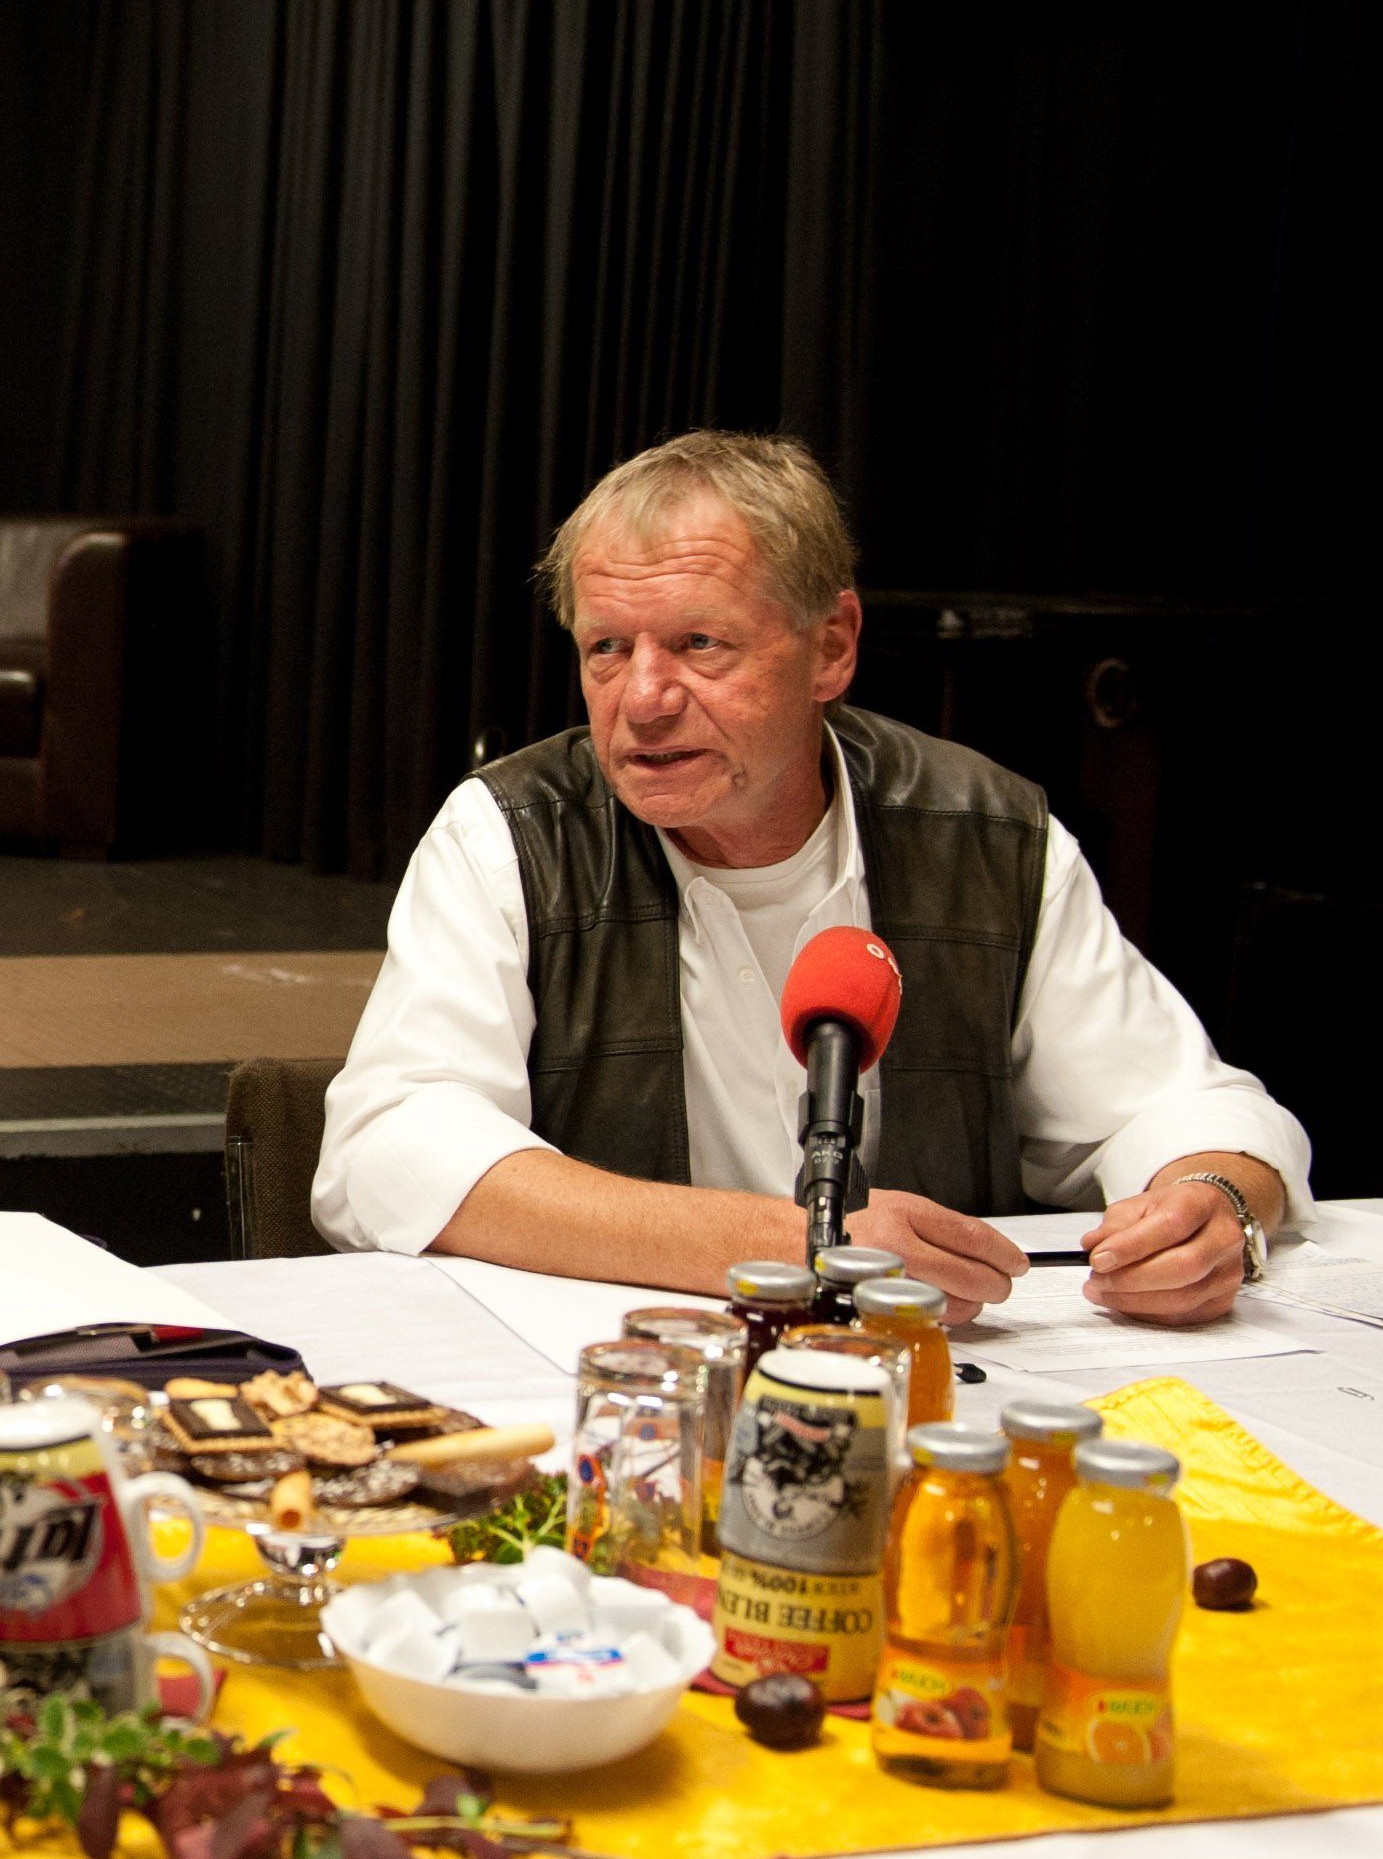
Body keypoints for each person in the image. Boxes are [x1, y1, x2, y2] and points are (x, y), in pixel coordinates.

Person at [312, 431, 1305, 1322]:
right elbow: (391, 1147)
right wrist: (785, 1244)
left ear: (830, 647)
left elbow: (1180, 1108)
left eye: (699, 644)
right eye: (607, 648)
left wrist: (1213, 1205)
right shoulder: (513, 834)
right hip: (627, 1373)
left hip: (938, 1381)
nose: (643, 699)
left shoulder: (982, 834)